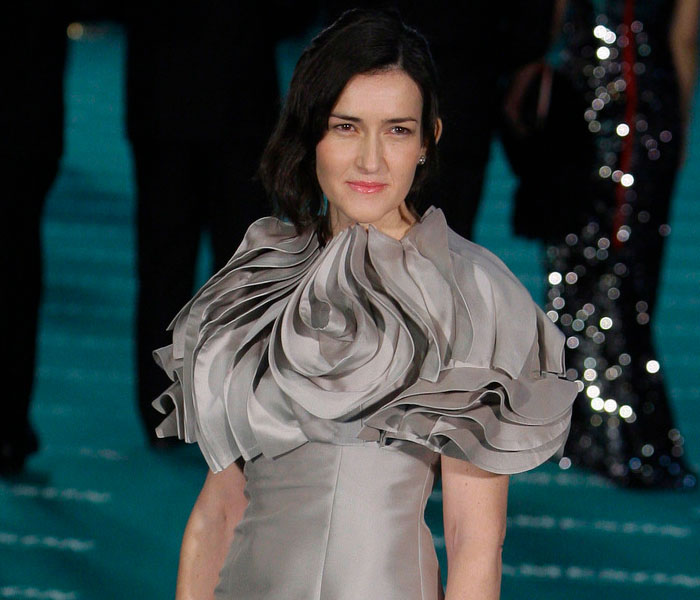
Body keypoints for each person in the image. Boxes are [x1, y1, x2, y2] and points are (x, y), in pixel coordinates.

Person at [152, 9, 578, 599]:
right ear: (311, 134)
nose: (371, 160)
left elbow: (474, 541)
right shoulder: (257, 280)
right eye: (346, 127)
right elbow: (218, 510)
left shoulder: (473, 295)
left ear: (428, 140)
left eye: (397, 130)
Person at [502, 0, 699, 489]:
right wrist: (680, 125)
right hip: (635, 108)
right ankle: (614, 433)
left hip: (585, 105)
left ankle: (583, 423)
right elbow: (683, 40)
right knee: (616, 270)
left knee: (581, 260)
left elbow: (548, 22)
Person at [125, 2, 314, 445]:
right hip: (235, 96)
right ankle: (232, 409)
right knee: (241, 269)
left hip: (172, 96)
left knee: (173, 265)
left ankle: (167, 411)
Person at [1, 4, 68, 475]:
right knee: (16, 269)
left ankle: (9, 422)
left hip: (25, 121)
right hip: (26, 120)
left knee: (16, 270)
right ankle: (9, 424)